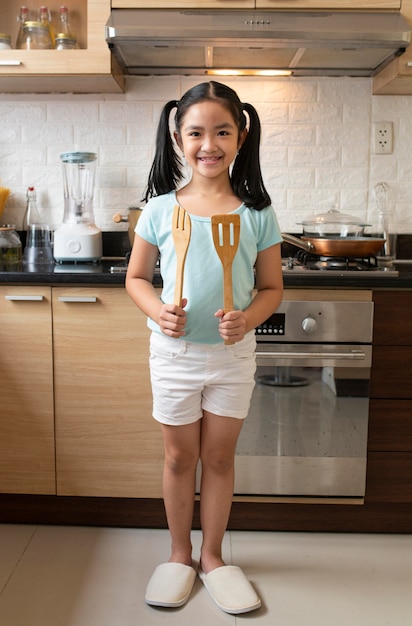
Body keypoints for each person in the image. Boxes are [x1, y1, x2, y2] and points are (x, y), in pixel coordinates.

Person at [125, 80, 283, 615]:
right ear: (177, 137)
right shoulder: (160, 210)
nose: (208, 144)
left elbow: (272, 289)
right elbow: (138, 279)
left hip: (232, 358)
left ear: (241, 138)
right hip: (174, 356)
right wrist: (158, 310)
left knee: (218, 458)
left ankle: (212, 556)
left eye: (222, 131)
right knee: (178, 457)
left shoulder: (256, 213)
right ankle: (178, 554)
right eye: (196, 133)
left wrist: (249, 320)